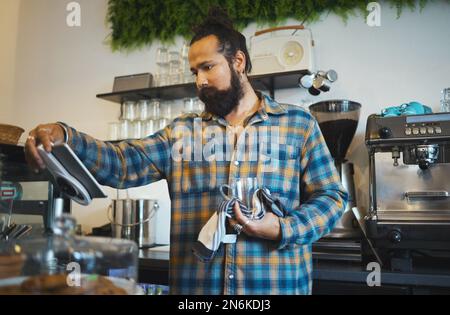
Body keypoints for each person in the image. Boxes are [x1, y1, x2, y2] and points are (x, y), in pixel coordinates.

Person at [24, 8, 347, 295]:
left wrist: (280, 228)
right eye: (194, 72)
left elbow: (331, 198)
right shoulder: (181, 131)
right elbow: (122, 163)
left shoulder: (298, 124)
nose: (200, 81)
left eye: (208, 67)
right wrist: (67, 137)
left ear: (239, 62)